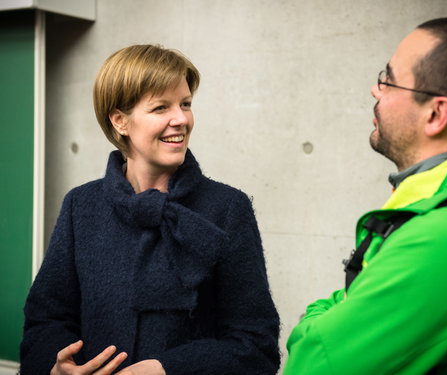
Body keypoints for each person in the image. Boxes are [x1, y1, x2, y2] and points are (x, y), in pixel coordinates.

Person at [20, 44, 280, 375]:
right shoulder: (80, 205)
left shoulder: (228, 208)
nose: (181, 119)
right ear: (120, 121)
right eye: (161, 108)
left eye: (186, 104)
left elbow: (256, 345)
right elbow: (46, 321)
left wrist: (166, 369)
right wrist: (55, 367)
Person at [284, 17, 447, 374]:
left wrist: (309, 324)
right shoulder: (444, 205)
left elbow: (312, 363)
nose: (376, 91)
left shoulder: (446, 237)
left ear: (436, 114)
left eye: (388, 81)